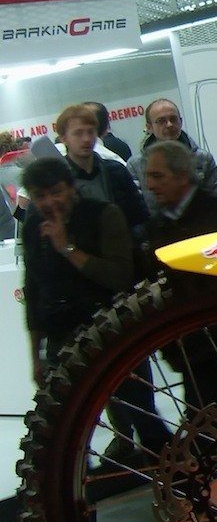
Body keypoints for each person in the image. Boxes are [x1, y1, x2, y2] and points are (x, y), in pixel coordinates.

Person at [20, 155, 171, 463]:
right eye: (39, 196)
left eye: (56, 192)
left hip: (111, 330)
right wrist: (35, 355)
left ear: (71, 187)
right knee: (63, 428)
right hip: (60, 337)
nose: (49, 202)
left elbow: (120, 276)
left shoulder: (105, 214)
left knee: (141, 412)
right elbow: (33, 292)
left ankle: (176, 475)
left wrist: (68, 249)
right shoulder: (33, 226)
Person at [142, 140, 217, 409]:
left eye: (158, 176)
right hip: (194, 347)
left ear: (182, 176)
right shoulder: (157, 227)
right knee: (202, 423)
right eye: (148, 176)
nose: (149, 185)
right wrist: (172, 349)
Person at [54, 103, 149, 237]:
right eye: (78, 133)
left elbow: (139, 214)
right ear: (63, 138)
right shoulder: (57, 179)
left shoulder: (116, 170)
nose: (86, 139)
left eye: (91, 132)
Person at [131, 98, 217, 206]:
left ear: (181, 122)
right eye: (161, 121)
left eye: (173, 119)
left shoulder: (202, 158)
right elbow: (137, 207)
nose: (169, 124)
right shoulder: (136, 164)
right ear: (149, 127)